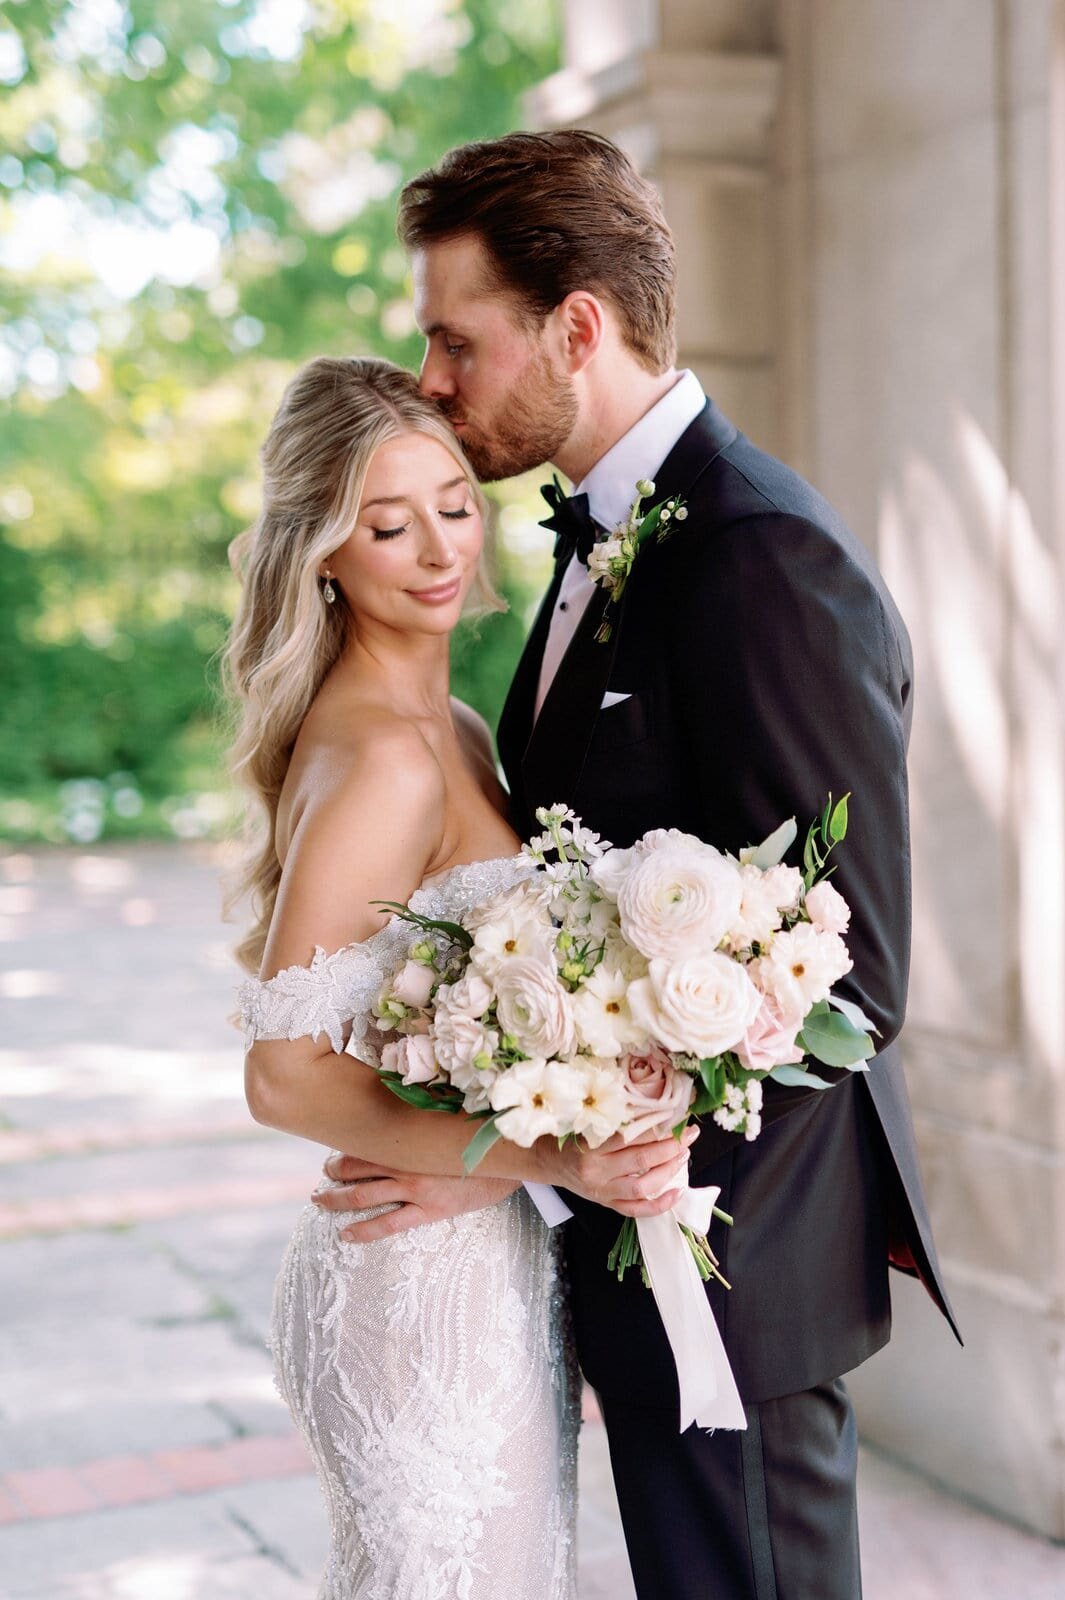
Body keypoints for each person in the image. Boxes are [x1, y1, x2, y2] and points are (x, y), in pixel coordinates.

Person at [314, 130, 962, 1599]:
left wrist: (529, 1163)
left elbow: (845, 959)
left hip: (730, 1267)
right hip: (639, 1250)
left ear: (578, 326)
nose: (428, 376)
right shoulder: (602, 537)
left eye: (454, 338)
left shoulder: (761, 557)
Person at [228, 354, 697, 1600]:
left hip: (482, 1256)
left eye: (452, 503)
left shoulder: (461, 730)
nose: (437, 548)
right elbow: (281, 1076)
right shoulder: (385, 752)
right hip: (417, 1291)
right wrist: (550, 1158)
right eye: (387, 524)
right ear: (324, 552)